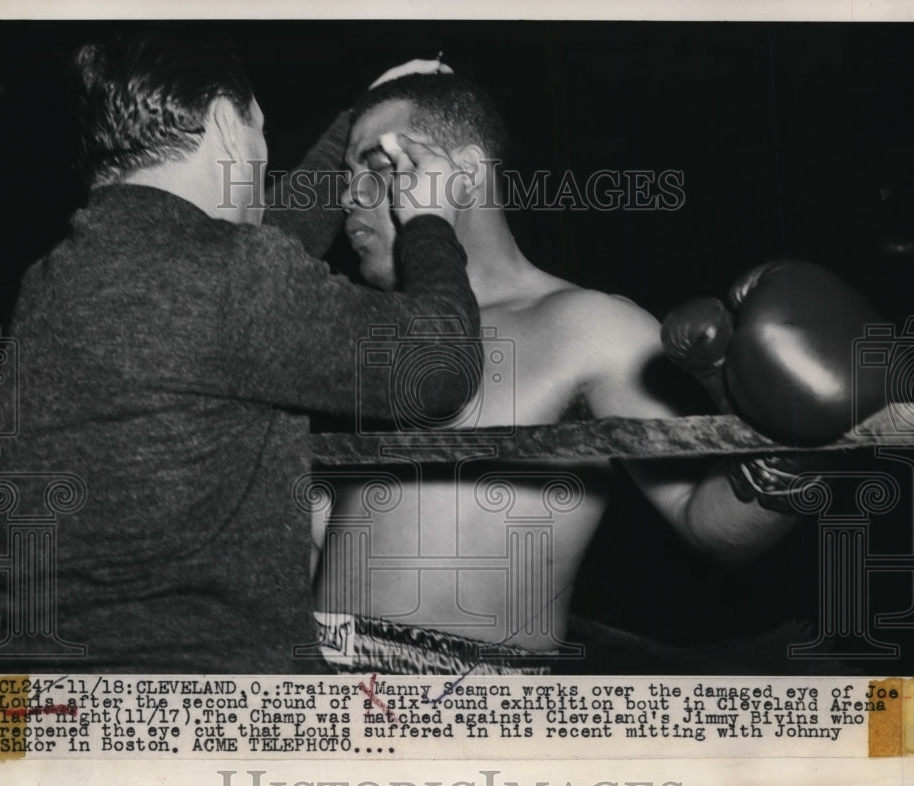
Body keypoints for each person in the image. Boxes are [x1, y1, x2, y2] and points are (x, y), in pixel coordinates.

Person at [0, 36, 479, 674]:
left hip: (25, 699)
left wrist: (357, 113)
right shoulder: (230, 278)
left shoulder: (57, 276)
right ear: (225, 129)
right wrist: (429, 221)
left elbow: (243, 281)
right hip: (182, 711)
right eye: (260, 134)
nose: (266, 162)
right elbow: (439, 368)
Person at [312, 74, 845, 675]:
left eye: (378, 165)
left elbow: (714, 527)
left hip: (465, 717)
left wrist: (798, 450)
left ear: (461, 174)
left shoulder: (590, 326)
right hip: (312, 686)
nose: (350, 196)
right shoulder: (369, 335)